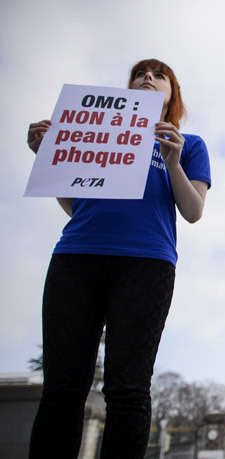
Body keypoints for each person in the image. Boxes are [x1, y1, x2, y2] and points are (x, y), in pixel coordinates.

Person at [27, 59, 211, 459]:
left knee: (127, 388)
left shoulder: (189, 143)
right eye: (139, 74)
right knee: (62, 388)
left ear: (171, 97)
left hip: (147, 264)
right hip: (76, 256)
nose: (147, 78)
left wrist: (174, 161)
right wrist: (48, 155)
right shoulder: (94, 132)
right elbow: (77, 204)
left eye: (158, 75)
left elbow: (194, 210)